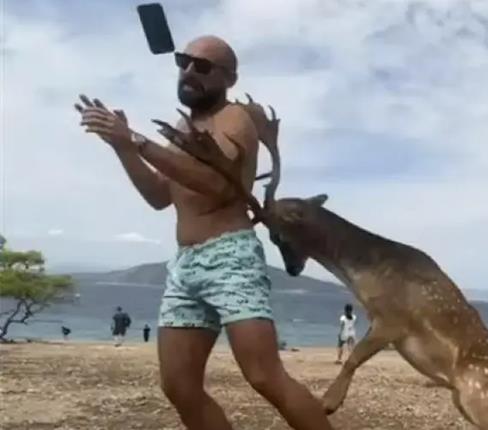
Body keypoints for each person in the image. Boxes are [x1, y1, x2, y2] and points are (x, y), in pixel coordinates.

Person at [75, 35, 333, 430]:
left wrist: (139, 141)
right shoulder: (183, 126)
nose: (189, 71)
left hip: (230, 258)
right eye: (184, 61)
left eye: (203, 66)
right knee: (178, 385)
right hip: (185, 266)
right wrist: (123, 148)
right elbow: (160, 196)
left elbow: (218, 185)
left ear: (229, 78)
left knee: (264, 376)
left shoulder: (235, 119)